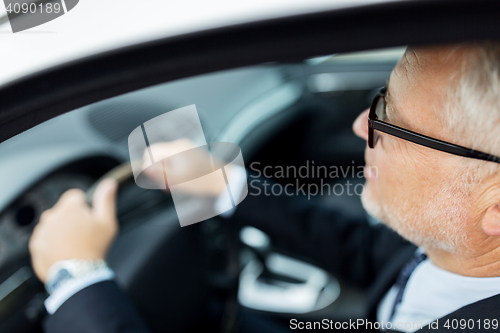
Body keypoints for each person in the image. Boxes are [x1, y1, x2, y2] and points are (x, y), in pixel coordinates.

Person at [29, 43, 500, 333]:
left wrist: (77, 279)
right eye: (381, 99)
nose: (361, 124)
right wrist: (222, 184)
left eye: (392, 122)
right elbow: (368, 249)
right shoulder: (460, 252)